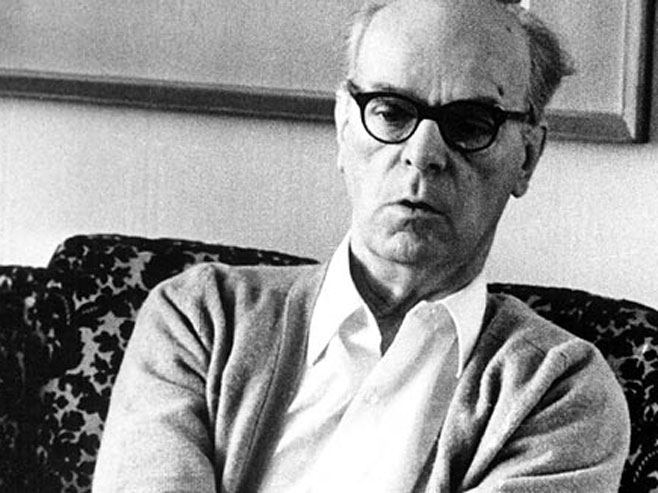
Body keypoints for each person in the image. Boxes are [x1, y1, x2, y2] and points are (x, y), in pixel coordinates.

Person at [93, 0, 631, 491]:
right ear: (343, 126)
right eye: (391, 112)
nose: (423, 155)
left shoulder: (560, 391)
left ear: (528, 157)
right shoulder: (200, 318)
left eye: (471, 124)